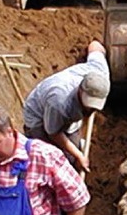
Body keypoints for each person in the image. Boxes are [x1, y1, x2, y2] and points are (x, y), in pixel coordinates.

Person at [23, 39, 110, 173]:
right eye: (88, 104)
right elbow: (53, 132)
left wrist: (100, 45)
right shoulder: (59, 100)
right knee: (49, 162)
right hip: (38, 118)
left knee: (71, 159)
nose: (90, 110)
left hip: (67, 113)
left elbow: (95, 46)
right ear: (80, 90)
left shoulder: (100, 72)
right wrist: (78, 154)